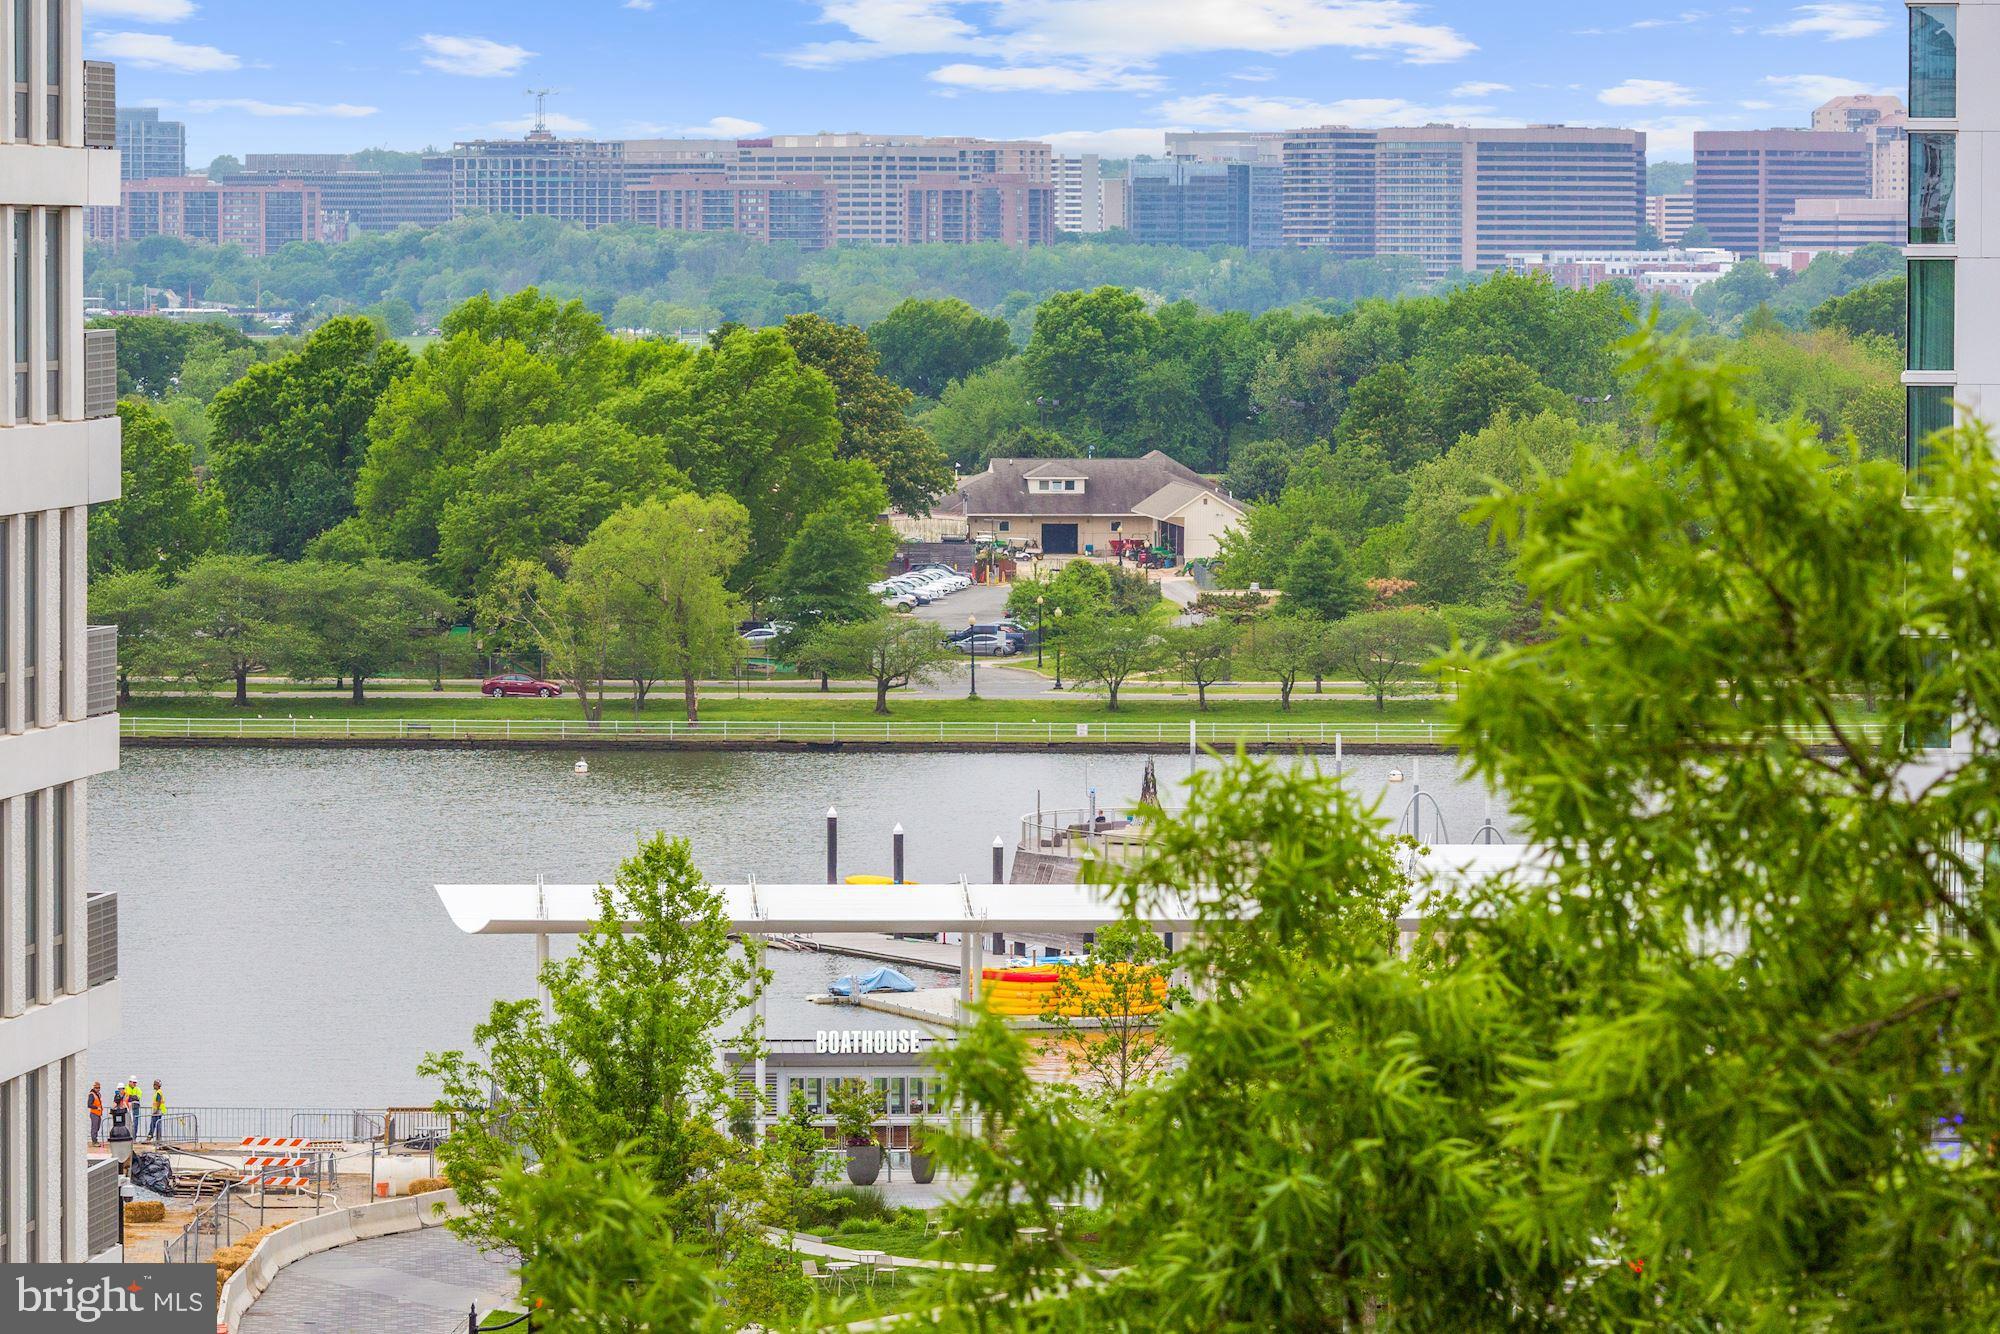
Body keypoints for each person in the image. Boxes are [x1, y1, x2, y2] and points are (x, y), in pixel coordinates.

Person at [87, 1082, 103, 1147]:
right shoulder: (91, 1095)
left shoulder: (97, 1094)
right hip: (94, 1114)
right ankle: (94, 1141)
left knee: (97, 1127)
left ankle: (95, 1140)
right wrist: (97, 1107)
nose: (98, 1089)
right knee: (94, 1128)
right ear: (94, 1088)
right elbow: (89, 1105)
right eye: (96, 1088)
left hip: (98, 1114)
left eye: (99, 1088)